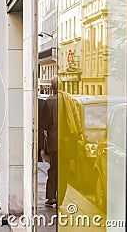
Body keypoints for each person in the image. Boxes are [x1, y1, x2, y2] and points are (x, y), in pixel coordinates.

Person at [40, 76, 82, 207]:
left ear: (52, 87)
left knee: (53, 169)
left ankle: (51, 196)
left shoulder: (49, 101)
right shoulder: (70, 100)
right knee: (64, 170)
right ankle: (61, 198)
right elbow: (77, 121)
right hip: (67, 141)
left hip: (54, 141)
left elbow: (45, 123)